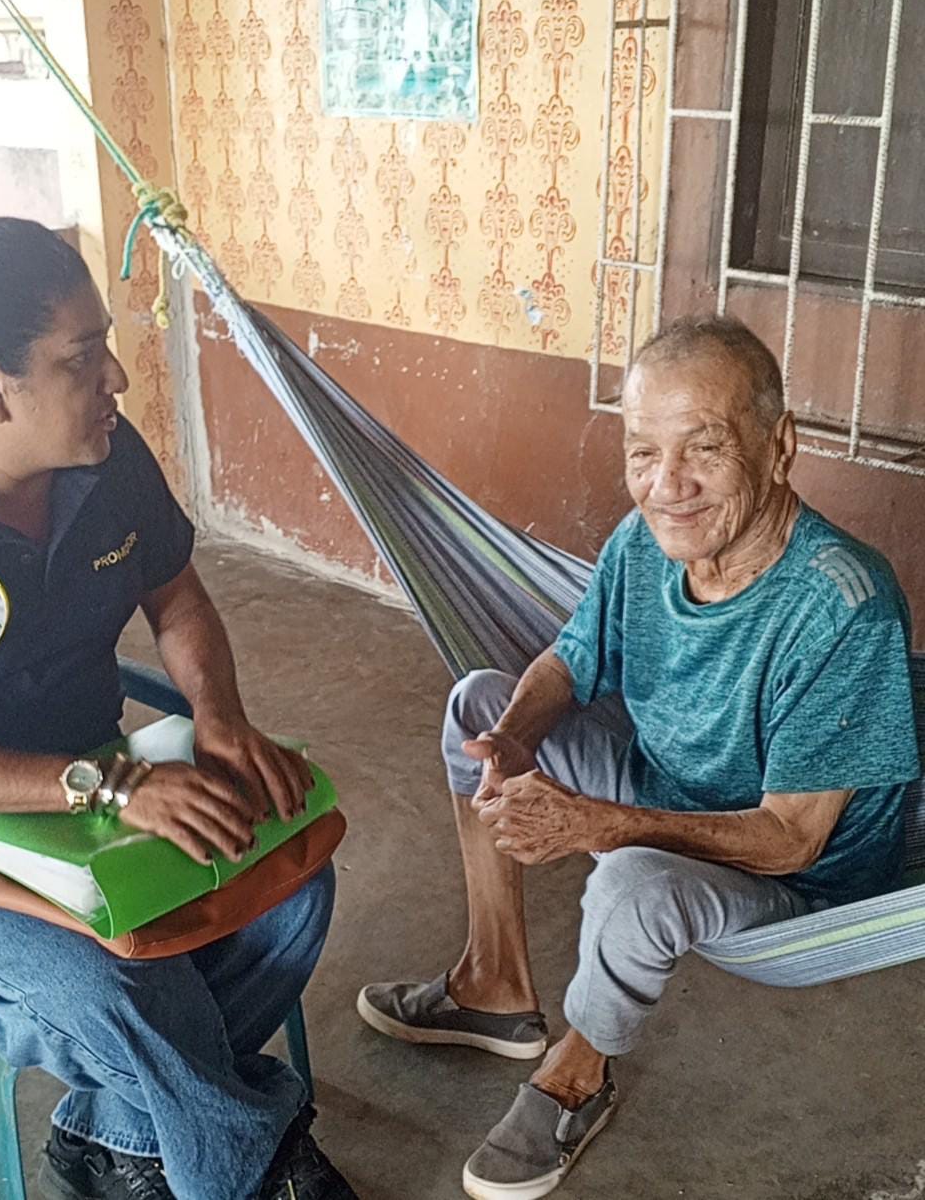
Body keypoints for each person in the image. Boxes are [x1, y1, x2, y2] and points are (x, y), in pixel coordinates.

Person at [0, 216, 358, 1200]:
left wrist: (218, 717)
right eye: (83, 358)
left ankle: (114, 1135)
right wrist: (111, 786)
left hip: (93, 784)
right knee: (125, 984)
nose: (117, 378)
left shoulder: (108, 460)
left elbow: (179, 600)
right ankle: (254, 1154)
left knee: (294, 884)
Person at [357, 316, 920, 1200]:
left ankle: (577, 1075)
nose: (668, 486)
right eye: (643, 454)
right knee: (479, 703)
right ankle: (493, 984)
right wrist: (514, 739)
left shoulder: (843, 603)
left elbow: (792, 840)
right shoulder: (641, 543)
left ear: (780, 448)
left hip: (795, 877)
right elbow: (568, 662)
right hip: (669, 785)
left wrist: (601, 826)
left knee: (629, 885)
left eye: (705, 449)